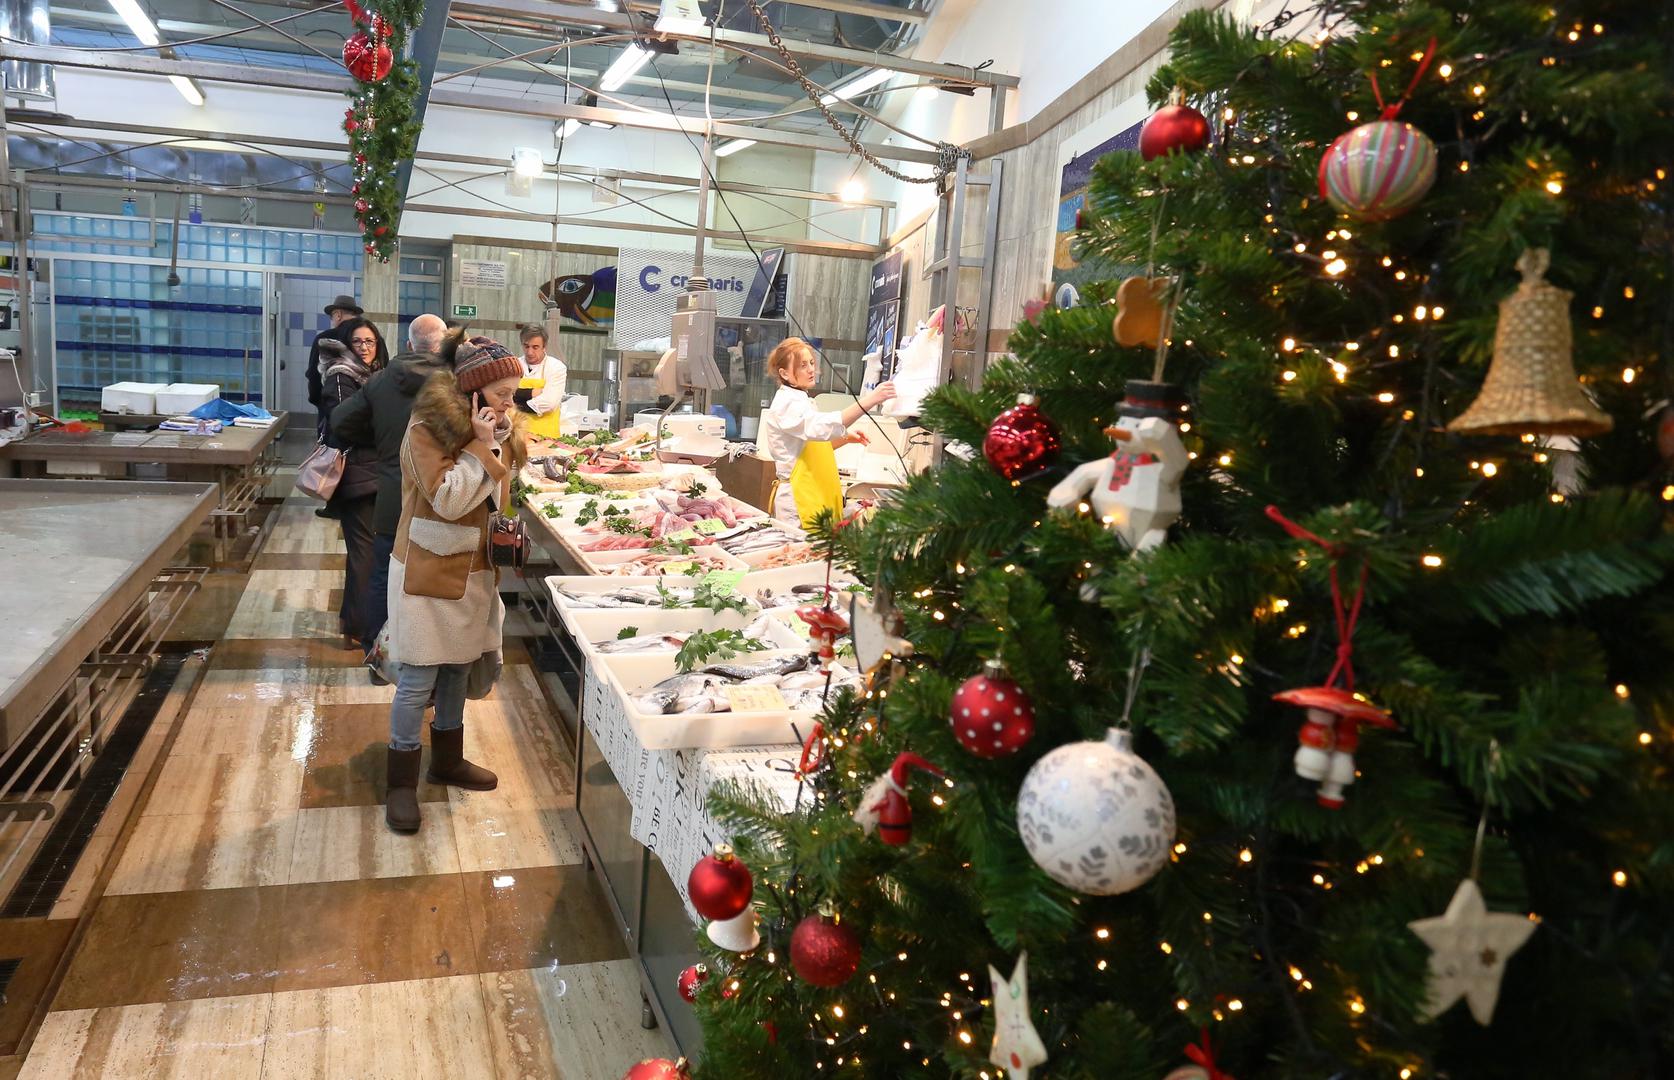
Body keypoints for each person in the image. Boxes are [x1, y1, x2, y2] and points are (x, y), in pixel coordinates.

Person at [382, 335, 525, 833]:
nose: (509, 403)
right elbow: (447, 500)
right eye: (503, 393)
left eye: (513, 394)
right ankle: (400, 782)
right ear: (473, 390)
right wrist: (483, 448)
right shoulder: (425, 428)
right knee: (418, 677)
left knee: (458, 672)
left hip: (475, 569)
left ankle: (447, 760)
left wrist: (496, 438)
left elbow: (498, 497)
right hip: (426, 570)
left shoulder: (494, 427)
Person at [331, 313, 448, 670]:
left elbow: (339, 421)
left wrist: (381, 440)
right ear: (443, 344)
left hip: (391, 495)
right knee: (438, 576)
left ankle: (376, 654)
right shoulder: (454, 380)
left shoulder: (380, 381)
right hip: (439, 497)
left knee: (383, 573)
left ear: (409, 345)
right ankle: (429, 654)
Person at [760, 337, 895, 533]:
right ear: (784, 373)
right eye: (802, 365)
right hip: (798, 500)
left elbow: (811, 448)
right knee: (803, 550)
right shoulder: (786, 404)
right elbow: (822, 427)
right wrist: (870, 400)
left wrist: (845, 439)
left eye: (811, 363)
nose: (811, 369)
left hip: (812, 492)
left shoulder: (801, 399)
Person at [315, 316, 388, 649]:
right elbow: (343, 423)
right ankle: (357, 630)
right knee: (365, 553)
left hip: (369, 473)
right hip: (356, 477)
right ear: (347, 344)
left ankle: (356, 622)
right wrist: (385, 429)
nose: (364, 347)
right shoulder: (341, 375)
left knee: (366, 552)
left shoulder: (369, 375)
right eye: (357, 341)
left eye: (370, 341)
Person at [307, 294, 363, 432]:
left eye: (331, 317)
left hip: (331, 412)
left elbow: (314, 376)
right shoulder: (370, 338)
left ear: (338, 315)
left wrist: (320, 403)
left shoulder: (324, 338)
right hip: (364, 412)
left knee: (330, 444)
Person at [514, 323, 567, 439]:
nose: (530, 352)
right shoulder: (514, 365)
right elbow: (506, 394)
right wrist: (531, 393)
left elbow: (549, 403)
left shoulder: (556, 367)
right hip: (517, 436)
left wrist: (516, 402)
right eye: (526, 346)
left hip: (546, 437)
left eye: (535, 347)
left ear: (544, 346)